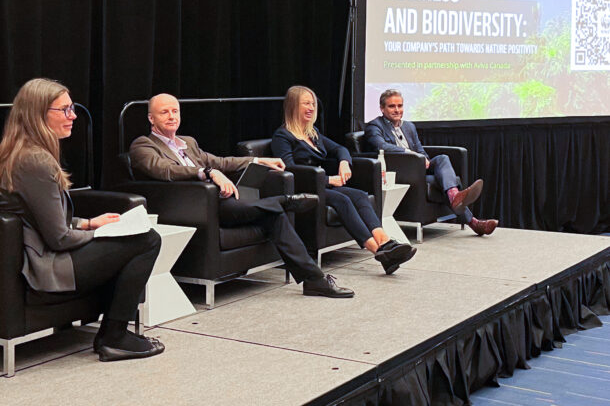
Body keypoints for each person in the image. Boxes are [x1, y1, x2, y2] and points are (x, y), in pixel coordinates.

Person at [0, 78, 164, 362]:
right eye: (64, 110)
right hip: (47, 266)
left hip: (44, 254)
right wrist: (99, 236)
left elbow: (43, 219)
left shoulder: (21, 153)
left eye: (72, 108)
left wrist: (88, 224)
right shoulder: (35, 160)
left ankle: (116, 332)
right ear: (38, 114)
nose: (73, 115)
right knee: (147, 240)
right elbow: (58, 239)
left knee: (131, 238)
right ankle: (114, 337)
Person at [129, 93, 354, 299]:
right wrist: (206, 172)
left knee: (273, 216)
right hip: (195, 206)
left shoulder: (187, 142)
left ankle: (314, 280)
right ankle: (285, 202)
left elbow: (220, 161)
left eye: (175, 111)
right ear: (151, 118)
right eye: (164, 112)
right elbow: (164, 170)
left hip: (222, 200)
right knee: (272, 208)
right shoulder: (143, 145)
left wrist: (257, 161)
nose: (171, 116)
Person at [271, 86, 417, 275]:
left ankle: (385, 242)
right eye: (306, 103)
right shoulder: (282, 136)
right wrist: (329, 179)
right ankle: (380, 252)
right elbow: (291, 170)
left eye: (313, 104)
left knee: (359, 195)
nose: (311, 108)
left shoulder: (312, 133)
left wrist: (344, 162)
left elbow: (340, 149)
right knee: (343, 199)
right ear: (293, 106)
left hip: (323, 185)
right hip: (305, 188)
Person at [365, 89, 498, 236]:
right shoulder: (374, 126)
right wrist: (412, 154)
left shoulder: (409, 126)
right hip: (401, 171)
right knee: (442, 181)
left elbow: (420, 150)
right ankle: (474, 222)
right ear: (382, 108)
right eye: (392, 106)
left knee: (442, 159)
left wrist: (424, 159)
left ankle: (454, 196)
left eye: (400, 106)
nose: (397, 110)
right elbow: (381, 146)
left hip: (419, 166)